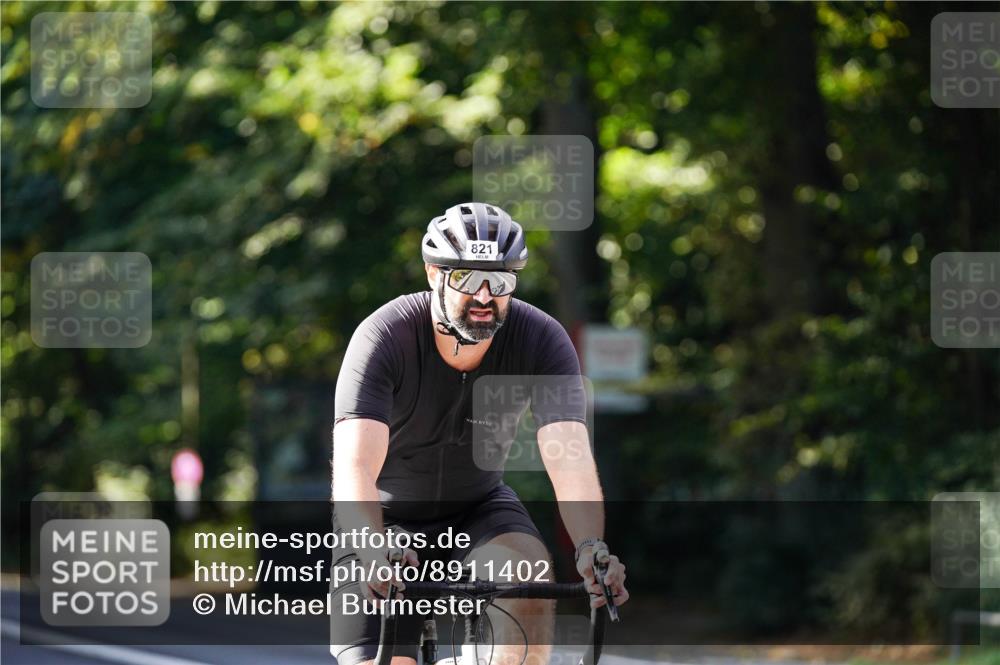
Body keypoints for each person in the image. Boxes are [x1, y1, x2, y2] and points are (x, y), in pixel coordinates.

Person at [330, 202, 628, 665]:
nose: (486, 295)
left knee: (529, 578)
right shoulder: (384, 337)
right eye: (467, 278)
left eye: (501, 280)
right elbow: (355, 468)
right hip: (383, 517)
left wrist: (591, 547)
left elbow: (569, 460)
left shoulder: (540, 339)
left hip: (479, 507)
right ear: (433, 274)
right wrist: (370, 545)